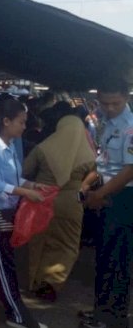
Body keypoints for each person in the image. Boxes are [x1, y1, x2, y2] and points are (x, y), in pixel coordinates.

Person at [0, 98, 47, 328]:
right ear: (6, 121)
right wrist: (23, 191)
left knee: (4, 263)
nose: (24, 126)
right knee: (4, 266)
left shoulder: (6, 145)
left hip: (7, 213)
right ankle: (17, 315)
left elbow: (11, 178)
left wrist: (30, 185)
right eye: (21, 122)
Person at [24, 114, 95, 302]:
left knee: (38, 241)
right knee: (67, 244)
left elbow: (25, 171)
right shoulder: (87, 154)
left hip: (41, 198)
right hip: (71, 202)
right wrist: (82, 186)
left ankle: (32, 281)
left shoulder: (43, 148)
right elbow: (97, 174)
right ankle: (51, 283)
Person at [81, 79, 133, 328]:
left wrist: (100, 194)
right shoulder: (106, 121)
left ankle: (112, 318)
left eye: (116, 103)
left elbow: (129, 169)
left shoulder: (131, 126)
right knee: (103, 256)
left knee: (117, 258)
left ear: (126, 97)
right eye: (105, 102)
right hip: (105, 191)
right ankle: (101, 310)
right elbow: (103, 160)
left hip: (122, 197)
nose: (110, 107)